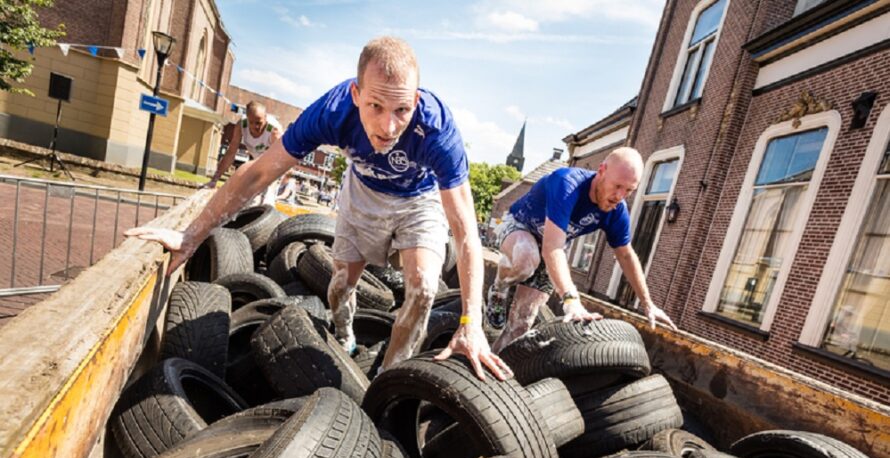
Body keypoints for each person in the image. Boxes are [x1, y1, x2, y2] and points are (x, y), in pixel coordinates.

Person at [126, 36, 511, 381]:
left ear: (417, 102)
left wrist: (472, 321)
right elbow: (259, 172)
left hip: (418, 201)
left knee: (425, 288)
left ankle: (388, 379)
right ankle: (344, 337)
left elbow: (465, 231)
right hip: (361, 194)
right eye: (375, 105)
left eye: (402, 110)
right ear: (356, 93)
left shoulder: (437, 129)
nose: (389, 126)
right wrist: (190, 236)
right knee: (340, 287)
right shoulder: (332, 112)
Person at [486, 147, 677, 354]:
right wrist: (570, 300)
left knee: (521, 325)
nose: (619, 196)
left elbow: (626, 255)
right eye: (617, 186)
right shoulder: (566, 183)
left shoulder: (616, 211)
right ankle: (499, 288)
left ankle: (490, 371)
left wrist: (648, 303)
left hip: (551, 248)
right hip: (519, 226)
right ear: (601, 171)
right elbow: (553, 247)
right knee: (526, 258)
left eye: (629, 190)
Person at [205, 101, 284, 205]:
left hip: (273, 163)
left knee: (265, 200)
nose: (255, 127)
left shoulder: (273, 131)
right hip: (256, 161)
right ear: (247, 118)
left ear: (265, 117)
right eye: (251, 122)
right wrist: (215, 179)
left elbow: (279, 161)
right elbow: (231, 153)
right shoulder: (241, 125)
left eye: (259, 123)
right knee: (244, 197)